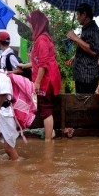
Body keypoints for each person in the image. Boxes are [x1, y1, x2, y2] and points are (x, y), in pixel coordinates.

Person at [26, 10, 62, 142]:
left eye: (31, 23)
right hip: (49, 78)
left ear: (37, 24)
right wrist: (25, 66)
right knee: (46, 108)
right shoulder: (45, 38)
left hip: (45, 81)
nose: (30, 26)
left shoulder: (41, 40)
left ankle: (48, 141)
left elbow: (43, 64)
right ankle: (48, 136)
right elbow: (40, 60)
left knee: (46, 109)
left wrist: (37, 83)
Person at [66, 3, 99, 93]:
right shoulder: (86, 29)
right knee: (80, 103)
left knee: (84, 105)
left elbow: (94, 51)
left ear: (84, 14)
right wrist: (76, 56)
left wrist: (75, 38)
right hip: (82, 75)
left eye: (78, 14)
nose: (77, 17)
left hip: (87, 76)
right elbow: (86, 46)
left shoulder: (93, 30)